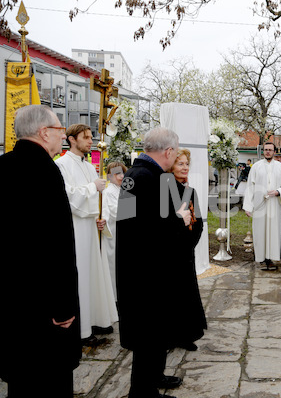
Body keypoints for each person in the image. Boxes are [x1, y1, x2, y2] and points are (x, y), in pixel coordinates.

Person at [0, 105, 81, 397]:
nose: (62, 136)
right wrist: (63, 306)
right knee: (49, 381)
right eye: (60, 130)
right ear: (44, 132)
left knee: (20, 380)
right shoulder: (46, 171)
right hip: (43, 305)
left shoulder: (3, 165)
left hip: (11, 300)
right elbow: (55, 243)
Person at [117, 127, 191, 398]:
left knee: (149, 335)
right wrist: (180, 221)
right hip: (150, 272)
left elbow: (127, 222)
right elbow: (159, 229)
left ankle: (150, 381)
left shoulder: (132, 175)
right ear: (168, 151)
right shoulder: (155, 179)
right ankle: (143, 392)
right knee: (150, 335)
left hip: (133, 265)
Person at [56, 123, 118, 343]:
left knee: (94, 274)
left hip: (91, 227)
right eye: (86, 137)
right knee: (82, 275)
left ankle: (96, 319)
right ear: (72, 139)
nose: (91, 141)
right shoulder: (61, 165)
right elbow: (69, 197)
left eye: (92, 137)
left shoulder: (90, 166)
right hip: (76, 229)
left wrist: (100, 217)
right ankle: (82, 330)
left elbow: (98, 201)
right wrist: (93, 187)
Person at [170, 149, 208, 351]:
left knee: (186, 293)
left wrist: (191, 242)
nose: (185, 167)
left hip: (186, 250)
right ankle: (169, 336)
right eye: (180, 164)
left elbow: (198, 220)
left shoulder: (189, 191)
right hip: (169, 250)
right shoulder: (165, 189)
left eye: (187, 164)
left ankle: (186, 335)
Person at [243, 142, 281, 270]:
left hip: (274, 204)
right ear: (263, 151)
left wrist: (278, 192)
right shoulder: (256, 167)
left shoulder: (280, 168)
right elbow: (250, 186)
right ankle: (261, 258)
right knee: (260, 231)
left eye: (270, 150)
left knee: (273, 232)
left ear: (274, 151)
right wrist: (248, 206)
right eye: (266, 150)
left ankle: (270, 259)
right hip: (260, 204)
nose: (268, 152)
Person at [102, 161, 127, 297]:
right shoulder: (109, 192)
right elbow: (116, 212)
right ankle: (114, 297)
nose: (121, 176)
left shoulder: (122, 190)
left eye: (122, 173)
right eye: (117, 174)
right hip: (114, 233)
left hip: (122, 232)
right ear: (110, 177)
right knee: (114, 266)